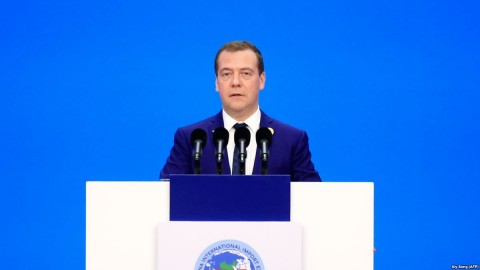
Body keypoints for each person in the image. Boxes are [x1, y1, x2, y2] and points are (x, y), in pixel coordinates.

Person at [160, 41, 321, 182]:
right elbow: (164, 196)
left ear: (261, 80)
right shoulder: (192, 138)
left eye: (245, 73)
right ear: (217, 83)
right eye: (227, 74)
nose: (236, 82)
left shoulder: (291, 140)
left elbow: (312, 200)